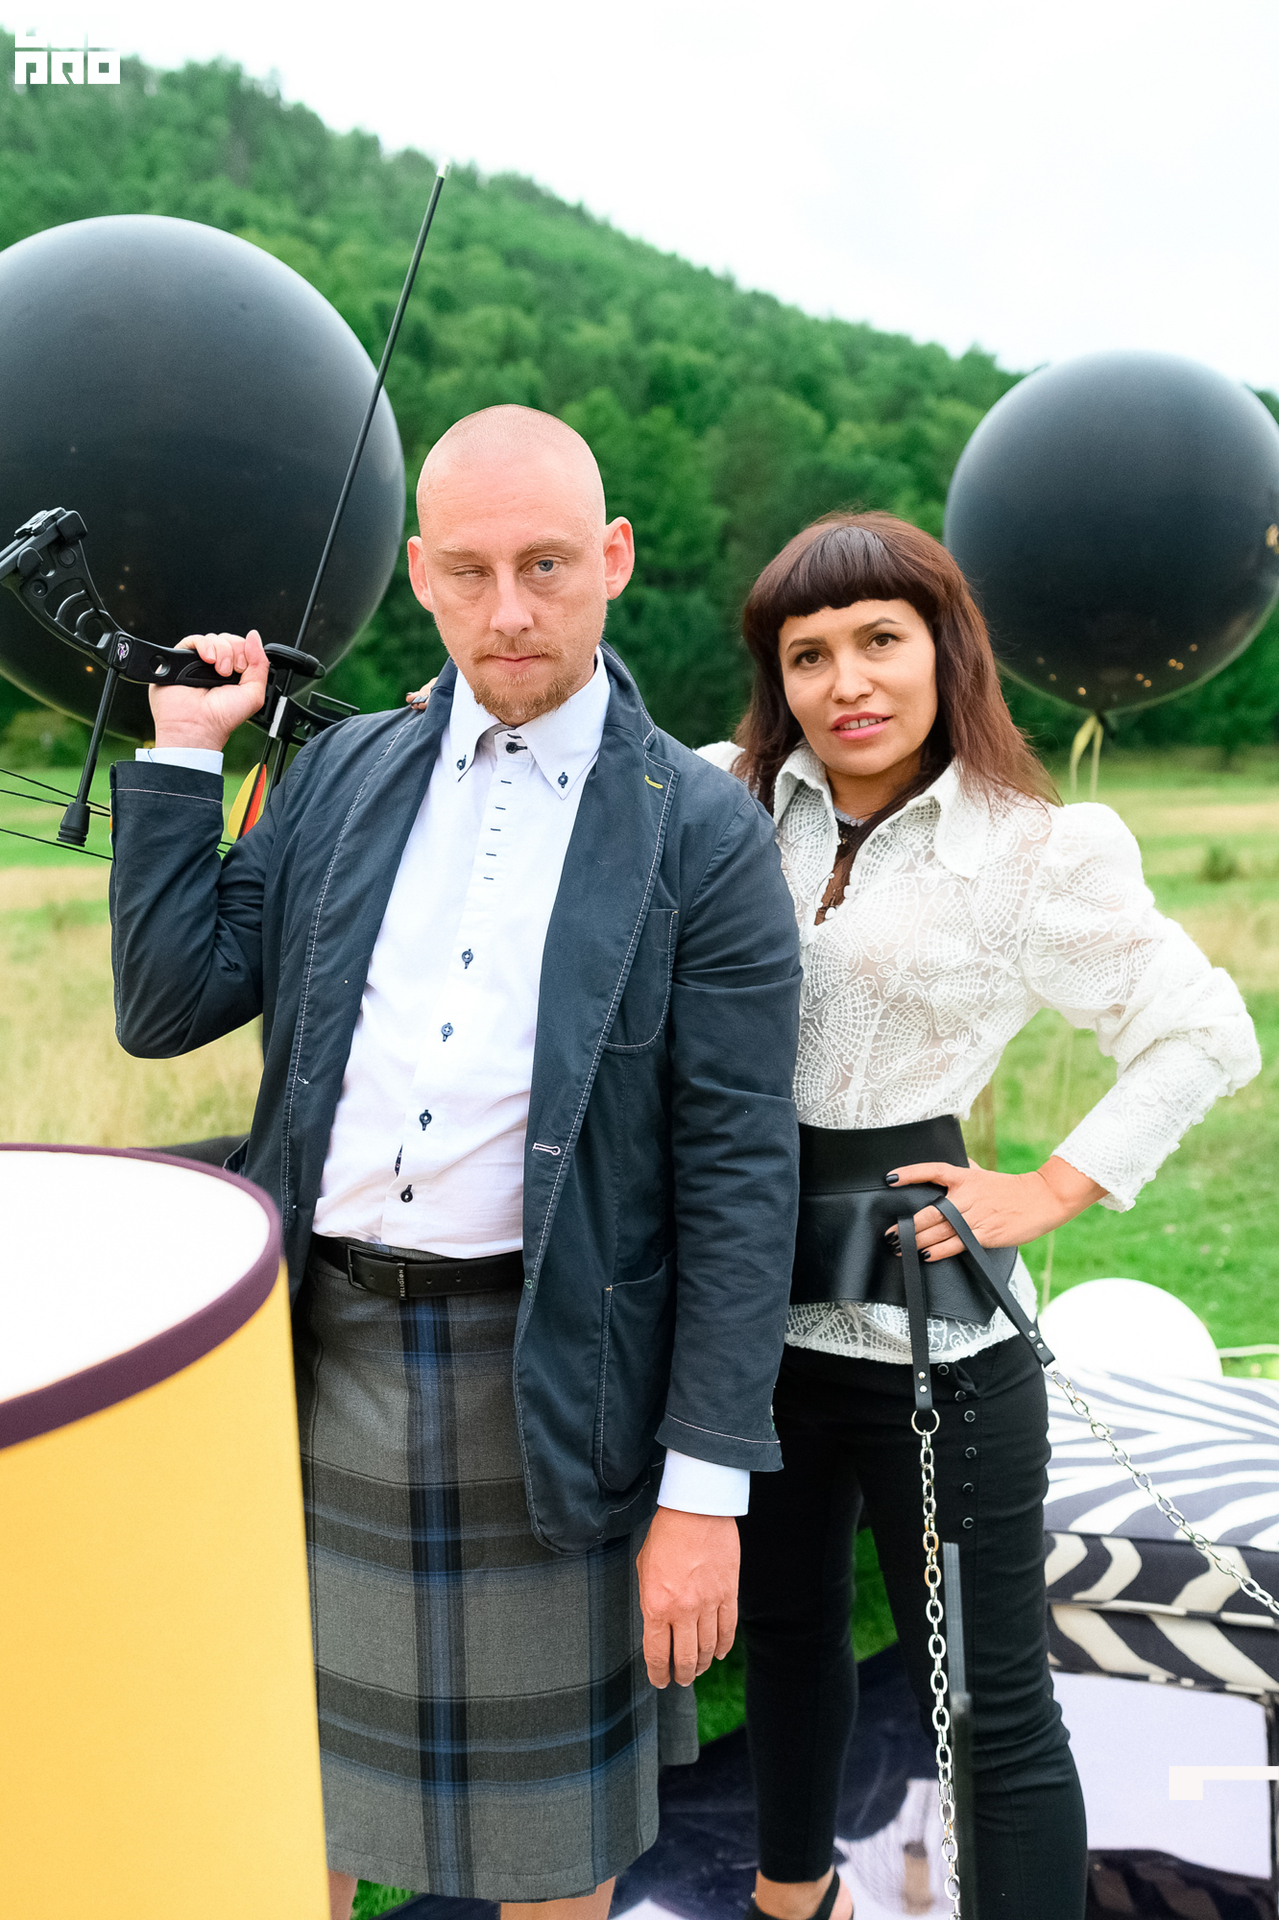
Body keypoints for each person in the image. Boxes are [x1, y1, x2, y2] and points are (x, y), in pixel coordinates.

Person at [108, 405, 803, 1920]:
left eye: (547, 565)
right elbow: (168, 1004)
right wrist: (180, 758)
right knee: (292, 1801)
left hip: (553, 1388)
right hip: (313, 1359)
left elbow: (741, 1180)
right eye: (471, 572)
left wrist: (704, 1493)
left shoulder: (701, 833)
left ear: (614, 558)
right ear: (419, 572)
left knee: (550, 1851)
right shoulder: (341, 775)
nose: (510, 612)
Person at [698, 511, 1260, 1920]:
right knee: (786, 1639)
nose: (847, 682)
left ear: (945, 648)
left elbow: (1203, 1030)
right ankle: (794, 1904)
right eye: (808, 654)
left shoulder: (1033, 851)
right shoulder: (724, 800)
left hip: (932, 1333)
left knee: (986, 1699)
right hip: (751, 1312)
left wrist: (1053, 1187)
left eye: (880, 640)